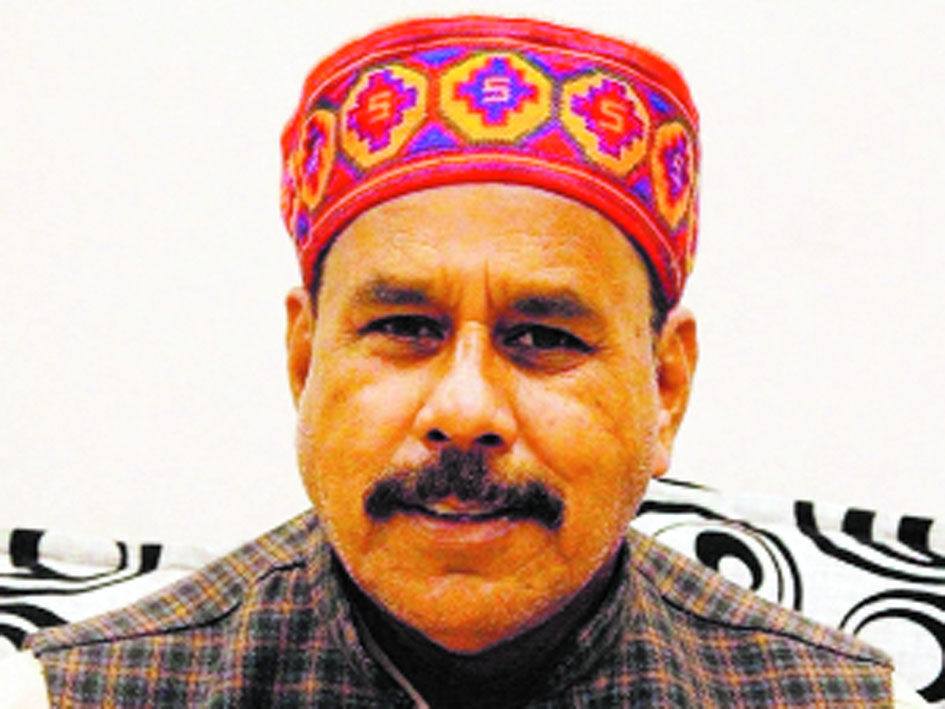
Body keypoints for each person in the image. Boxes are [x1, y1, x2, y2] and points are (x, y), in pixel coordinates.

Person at [2, 15, 926, 707]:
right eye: (406, 327)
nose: (465, 407)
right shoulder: (79, 693)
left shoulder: (837, 698)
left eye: (545, 338)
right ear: (304, 361)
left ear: (664, 387)